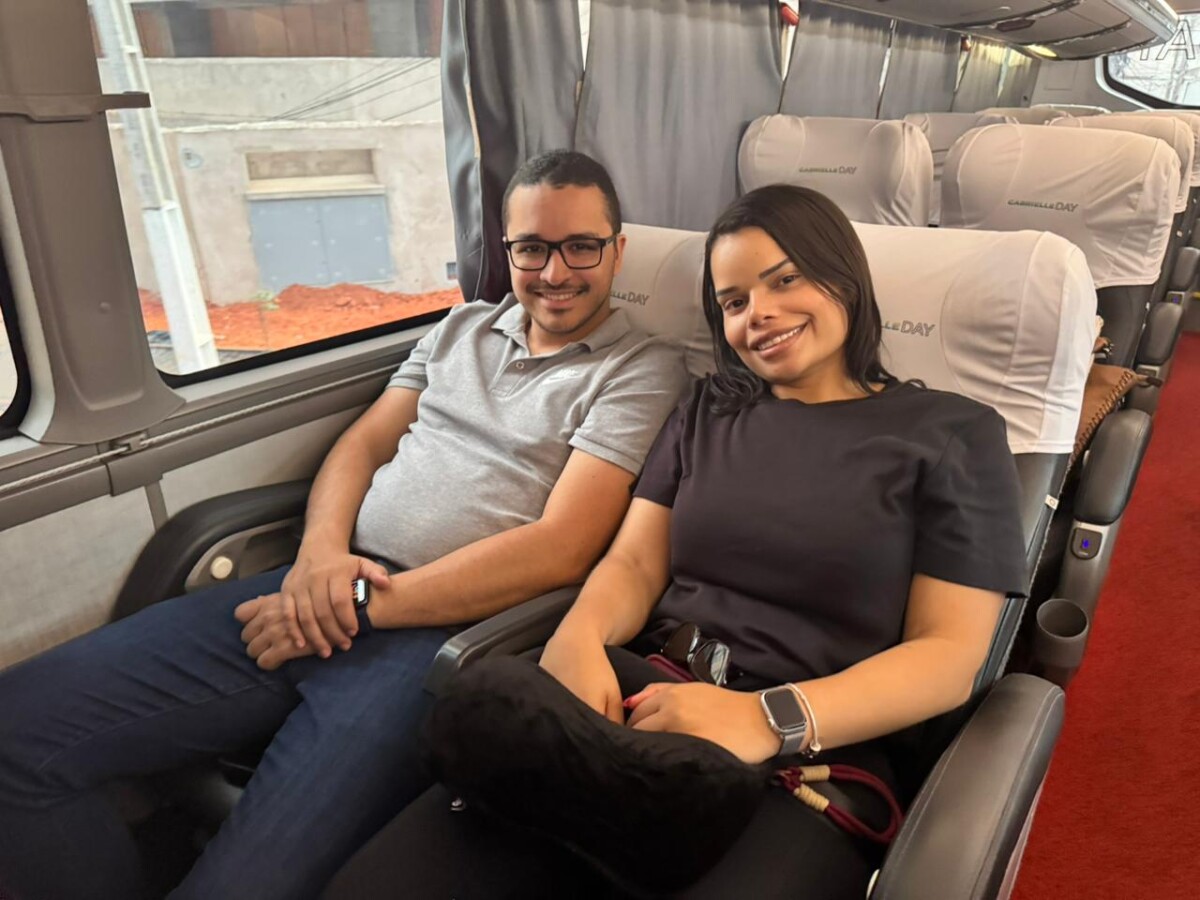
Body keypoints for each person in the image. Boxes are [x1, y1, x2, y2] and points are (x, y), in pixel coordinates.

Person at [0, 150, 689, 900]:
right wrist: (319, 560)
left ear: (618, 249)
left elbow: (563, 547)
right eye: (532, 248)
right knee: (17, 732)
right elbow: (362, 445)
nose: (554, 272)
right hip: (322, 585)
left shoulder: (641, 367)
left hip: (438, 641)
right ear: (507, 249)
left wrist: (360, 605)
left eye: (581, 246)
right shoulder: (460, 327)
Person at [322, 184, 1029, 900]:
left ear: (843, 278)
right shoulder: (707, 410)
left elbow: (948, 656)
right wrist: (580, 636)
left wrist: (765, 718)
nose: (759, 314)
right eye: (734, 302)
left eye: (785, 280)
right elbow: (634, 562)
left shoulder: (952, 435)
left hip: (806, 749)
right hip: (643, 698)